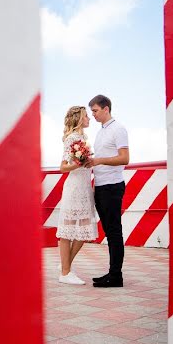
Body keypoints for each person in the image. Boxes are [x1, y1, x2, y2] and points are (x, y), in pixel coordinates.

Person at [84, 95, 129, 288]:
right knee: (109, 232)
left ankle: (116, 276)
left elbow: (125, 158)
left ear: (106, 109)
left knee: (114, 232)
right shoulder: (101, 131)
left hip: (112, 185)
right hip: (101, 186)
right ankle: (112, 272)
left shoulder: (118, 129)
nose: (92, 114)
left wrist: (99, 160)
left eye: (94, 110)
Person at [55, 106, 99, 285]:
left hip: (84, 187)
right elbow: (63, 167)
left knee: (83, 230)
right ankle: (65, 273)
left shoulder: (83, 138)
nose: (89, 118)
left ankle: (65, 265)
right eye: (86, 116)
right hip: (74, 188)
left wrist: (86, 163)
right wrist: (79, 163)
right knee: (67, 230)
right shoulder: (72, 138)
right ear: (79, 118)